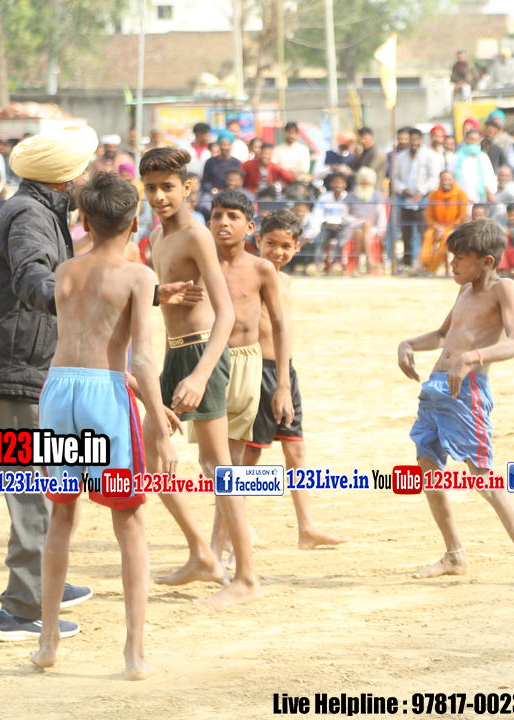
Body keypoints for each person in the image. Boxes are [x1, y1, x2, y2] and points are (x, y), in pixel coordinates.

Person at [0, 127, 168, 641]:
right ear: (62, 180)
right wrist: (90, 300)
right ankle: (20, 608)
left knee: (47, 485)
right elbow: (33, 281)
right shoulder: (30, 215)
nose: (84, 178)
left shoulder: (39, 209)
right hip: (13, 366)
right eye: (80, 171)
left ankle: (41, 582)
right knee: (30, 485)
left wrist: (137, 295)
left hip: (26, 363)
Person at [29, 171, 176, 681]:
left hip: (58, 393)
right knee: (129, 521)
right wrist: (158, 421)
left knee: (61, 515)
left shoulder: (65, 270)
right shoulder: (139, 275)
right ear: (136, 222)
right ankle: (134, 652)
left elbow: (83, 340)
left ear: (85, 222)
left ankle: (48, 642)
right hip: (106, 397)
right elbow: (141, 359)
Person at [398, 218, 514, 590]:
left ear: (487, 262)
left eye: (460, 258)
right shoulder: (465, 290)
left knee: (483, 476)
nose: (452, 264)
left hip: (467, 392)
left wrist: (472, 357)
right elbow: (442, 335)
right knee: (427, 467)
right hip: (435, 389)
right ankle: (454, 555)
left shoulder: (503, 288)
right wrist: (408, 343)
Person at [139, 147, 255, 606]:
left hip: (203, 353)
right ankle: (202, 554)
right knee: (149, 454)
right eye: (151, 188)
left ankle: (247, 579)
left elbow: (226, 313)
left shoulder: (196, 235)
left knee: (216, 465)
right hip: (174, 354)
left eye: (168, 187)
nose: (159, 196)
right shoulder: (156, 237)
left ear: (187, 187)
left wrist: (202, 375)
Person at [237, 208, 349, 548]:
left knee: (296, 451)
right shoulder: (250, 276)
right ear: (258, 240)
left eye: (286, 246)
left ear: (297, 247)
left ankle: (306, 528)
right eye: (271, 243)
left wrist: (285, 381)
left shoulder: (285, 281)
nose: (278, 251)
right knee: (251, 455)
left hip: (285, 371)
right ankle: (234, 525)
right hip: (258, 372)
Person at [203, 190, 294, 566]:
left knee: (232, 461)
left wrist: (283, 384)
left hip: (247, 366)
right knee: (212, 462)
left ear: (250, 226)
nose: (223, 222)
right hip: (205, 365)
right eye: (217, 216)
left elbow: (281, 326)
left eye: (233, 216)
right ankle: (228, 538)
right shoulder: (199, 263)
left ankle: (217, 550)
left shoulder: (262, 269)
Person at [394, 128, 440, 268]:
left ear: (421, 141)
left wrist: (422, 191)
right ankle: (407, 263)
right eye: (411, 140)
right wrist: (403, 189)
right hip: (405, 199)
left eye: (416, 140)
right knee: (406, 233)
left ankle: (425, 262)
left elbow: (434, 178)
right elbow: (394, 178)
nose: (414, 143)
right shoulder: (400, 157)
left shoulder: (430, 156)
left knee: (424, 232)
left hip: (423, 200)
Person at [419, 170, 470, 275]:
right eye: (443, 180)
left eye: (448, 179)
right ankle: (423, 264)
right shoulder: (433, 195)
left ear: (453, 181)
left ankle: (431, 269)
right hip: (437, 227)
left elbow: (462, 217)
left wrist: (446, 229)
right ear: (440, 182)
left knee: (446, 238)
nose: (446, 182)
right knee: (428, 234)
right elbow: (430, 217)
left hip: (455, 228)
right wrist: (437, 227)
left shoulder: (461, 194)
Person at [313, 171, 361, 275]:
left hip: (342, 226)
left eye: (341, 182)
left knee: (341, 242)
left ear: (345, 184)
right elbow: (317, 213)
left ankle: (336, 264)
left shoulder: (349, 198)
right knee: (321, 241)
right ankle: (316, 265)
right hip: (326, 226)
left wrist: (341, 224)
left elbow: (350, 215)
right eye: (335, 182)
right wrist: (325, 222)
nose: (338, 185)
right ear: (331, 184)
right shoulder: (324, 197)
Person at [349, 166, 388, 272]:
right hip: (352, 227)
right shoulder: (351, 196)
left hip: (372, 229)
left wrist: (380, 231)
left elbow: (381, 217)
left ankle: (357, 266)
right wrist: (359, 222)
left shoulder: (377, 196)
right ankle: (369, 260)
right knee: (360, 228)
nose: (365, 182)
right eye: (363, 181)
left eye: (367, 181)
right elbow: (344, 216)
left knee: (361, 230)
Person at [455, 129, 498, 204]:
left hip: (480, 198)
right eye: (471, 139)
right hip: (461, 197)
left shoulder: (483, 157)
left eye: (476, 140)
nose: (473, 142)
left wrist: (490, 192)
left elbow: (490, 177)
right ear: (465, 140)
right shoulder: (457, 157)